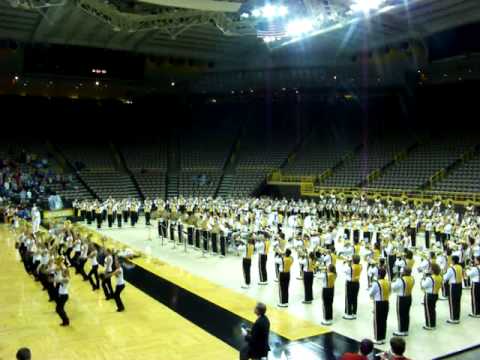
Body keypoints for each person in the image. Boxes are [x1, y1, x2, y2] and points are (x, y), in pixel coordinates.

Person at [369, 268, 390, 345]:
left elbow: (370, 293)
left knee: (377, 320)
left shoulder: (376, 283)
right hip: (386, 302)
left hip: (378, 303)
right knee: (384, 320)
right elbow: (390, 291)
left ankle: (377, 338)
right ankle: (383, 338)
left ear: (379, 275)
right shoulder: (388, 282)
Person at [392, 267, 414, 336]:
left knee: (400, 314)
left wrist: (395, 280)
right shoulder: (412, 278)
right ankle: (406, 329)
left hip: (401, 298)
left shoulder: (401, 280)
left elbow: (394, 287)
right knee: (406, 314)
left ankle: (401, 330)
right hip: (409, 297)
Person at [421, 262, 443, 330]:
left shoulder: (430, 278)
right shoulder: (439, 276)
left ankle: (430, 325)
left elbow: (424, 285)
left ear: (433, 270)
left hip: (429, 295)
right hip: (436, 294)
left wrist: (423, 279)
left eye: (430, 268)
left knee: (428, 310)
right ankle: (433, 323)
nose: (429, 269)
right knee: (432, 310)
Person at [443, 255, 463, 324]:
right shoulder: (460, 267)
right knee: (457, 301)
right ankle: (457, 317)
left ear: (453, 261)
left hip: (453, 286)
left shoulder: (451, 269)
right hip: (459, 285)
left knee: (452, 302)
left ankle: (453, 318)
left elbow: (445, 278)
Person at [344, 254, 362, 319]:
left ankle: (349, 313)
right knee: (355, 298)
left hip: (350, 283)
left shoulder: (350, 267)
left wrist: (347, 263)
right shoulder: (360, 266)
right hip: (357, 283)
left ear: (353, 261)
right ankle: (354, 313)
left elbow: (344, 270)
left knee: (349, 298)